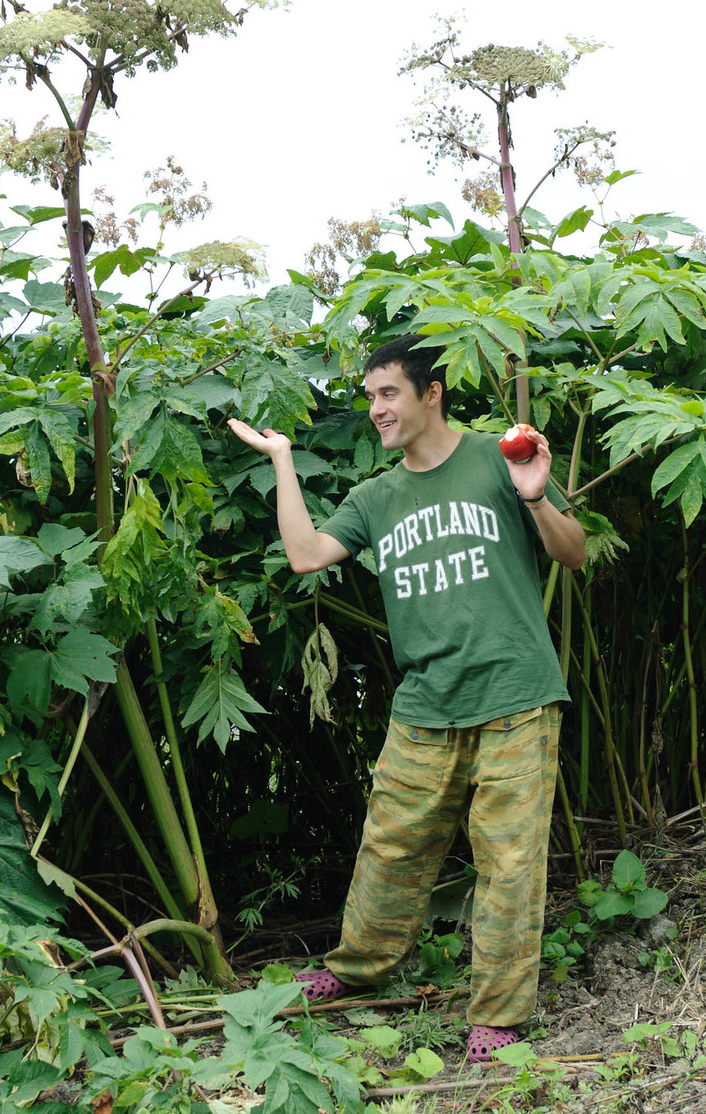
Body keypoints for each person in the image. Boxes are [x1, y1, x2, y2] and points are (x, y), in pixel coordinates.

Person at [228, 334, 585, 1064]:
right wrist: (283, 462)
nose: (376, 410)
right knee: (390, 848)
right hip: (426, 704)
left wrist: (537, 497)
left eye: (388, 393)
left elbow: (572, 552)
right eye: (369, 397)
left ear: (431, 394)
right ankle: (356, 968)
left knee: (511, 865)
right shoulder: (377, 497)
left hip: (516, 695)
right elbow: (305, 556)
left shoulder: (499, 457)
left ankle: (497, 1017)